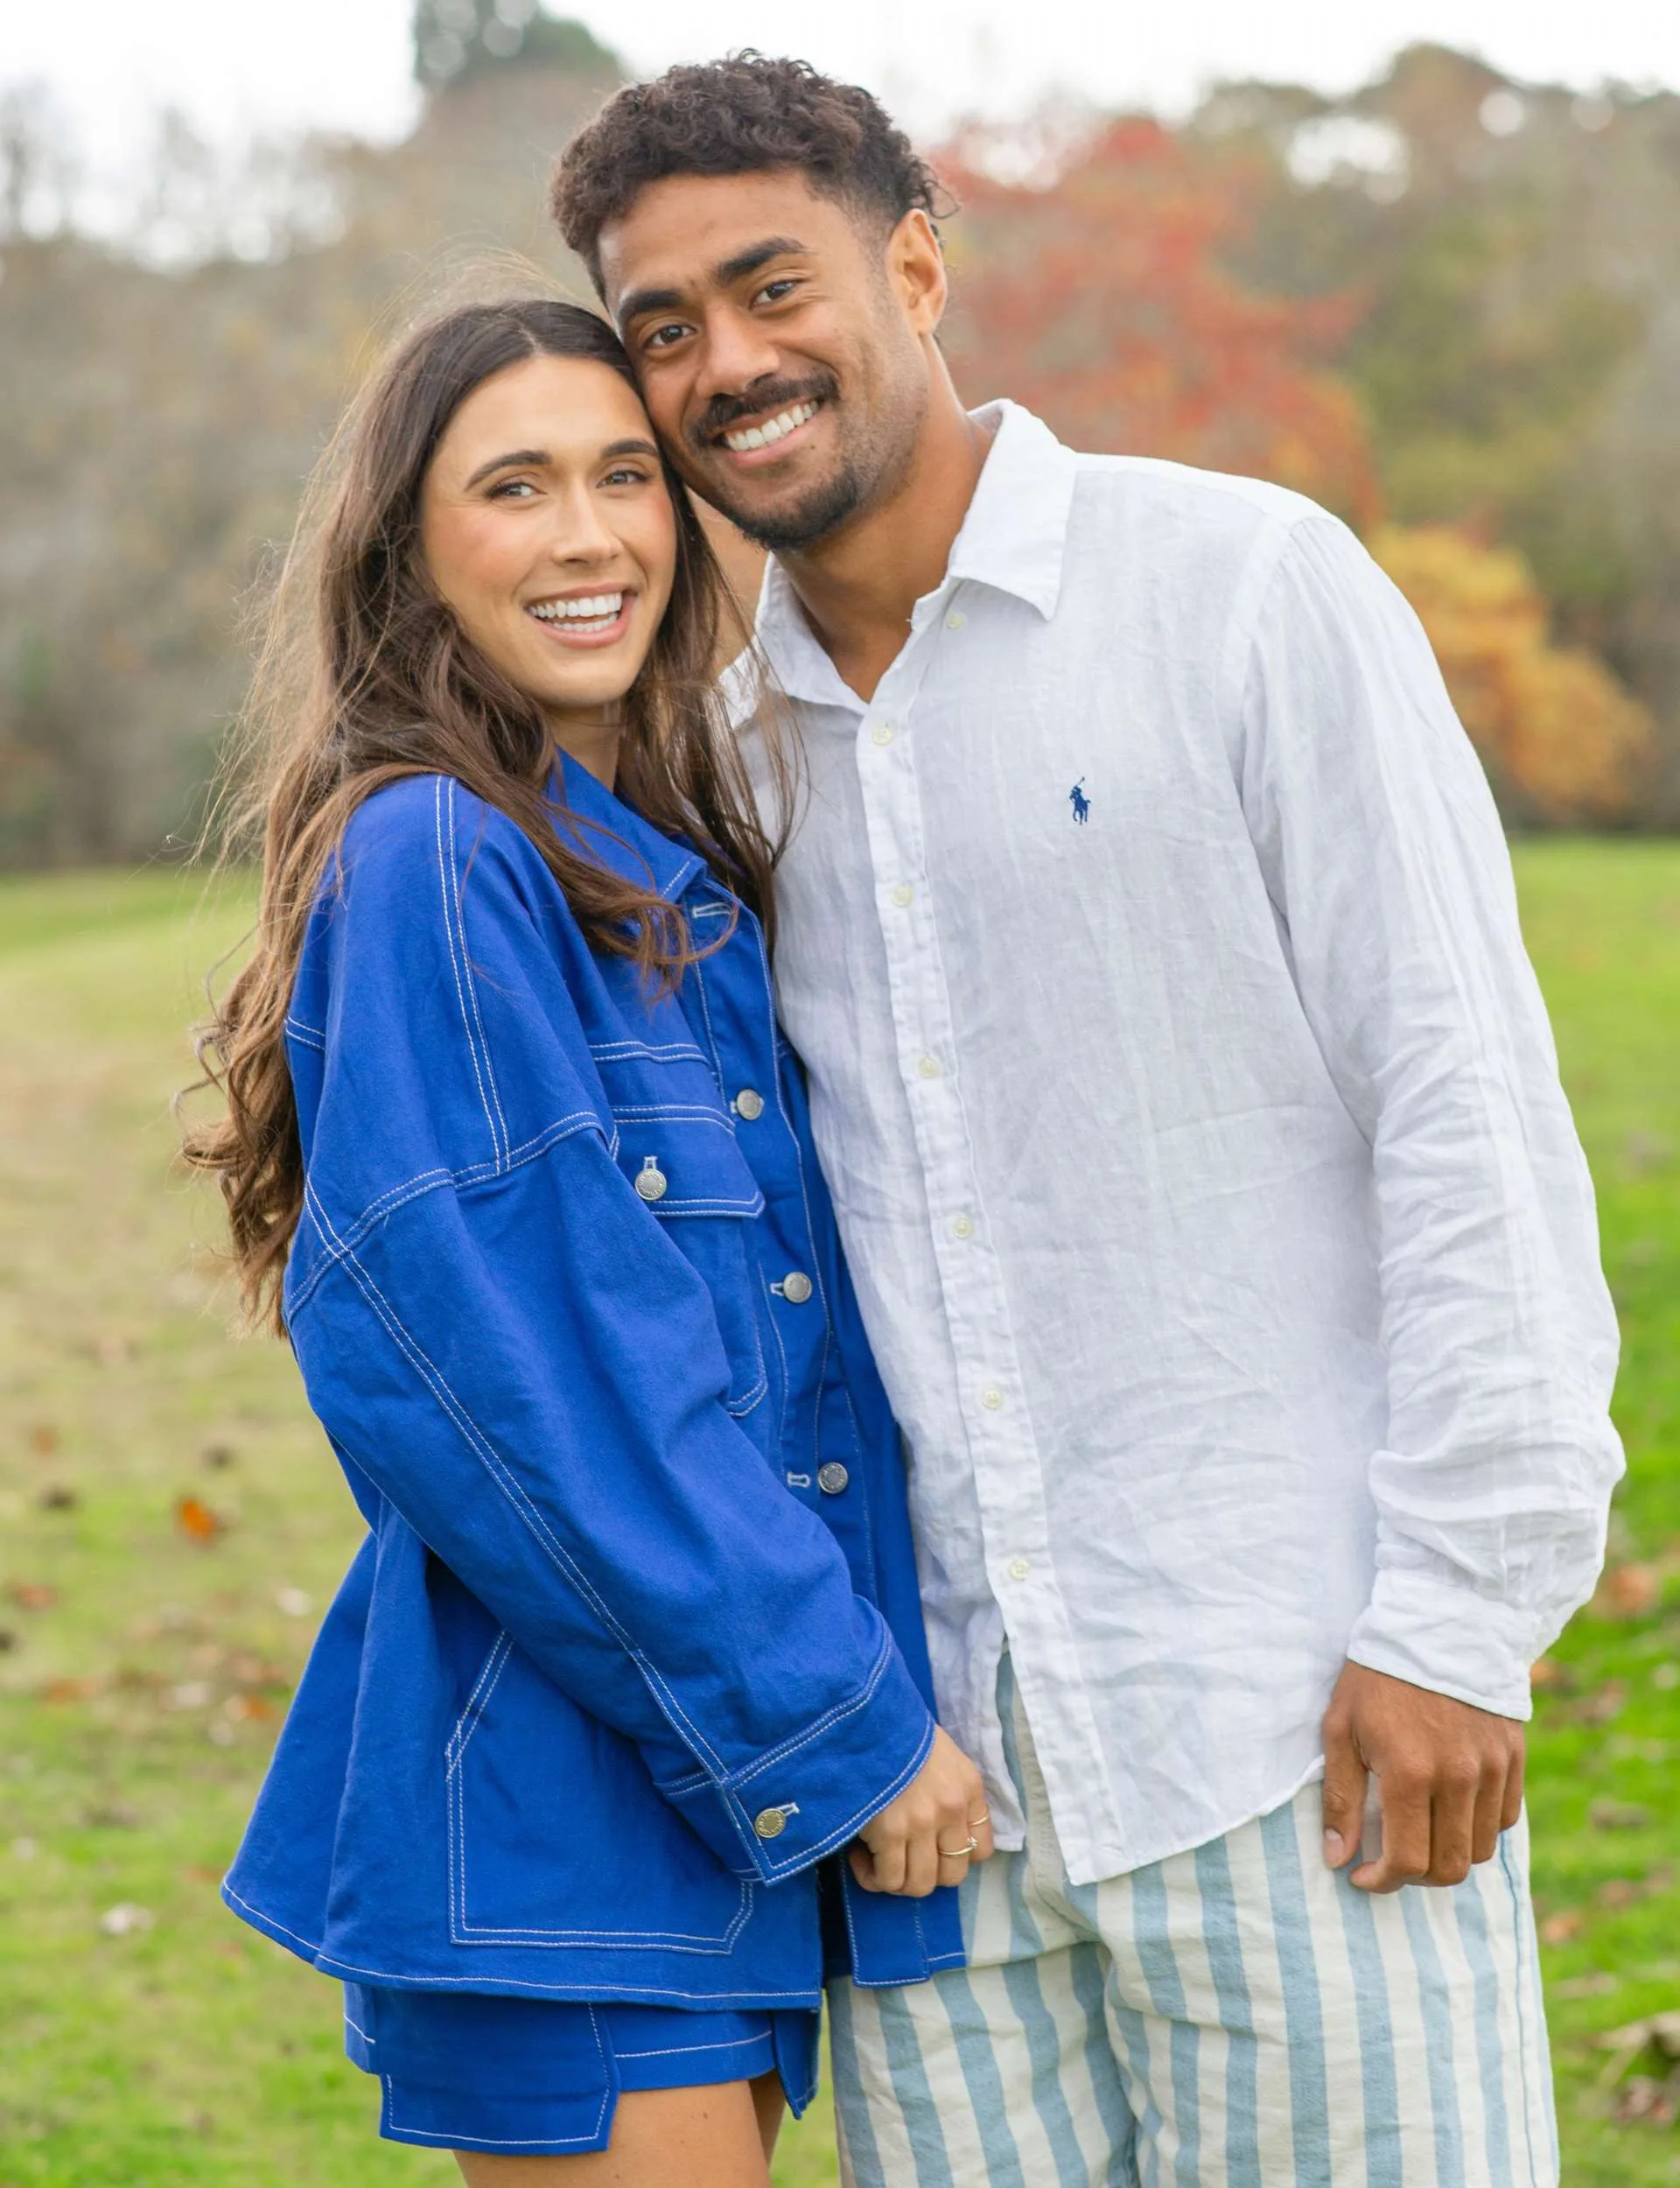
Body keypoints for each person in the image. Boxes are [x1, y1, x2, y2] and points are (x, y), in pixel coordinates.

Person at [550, 57, 1624, 2186]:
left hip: (1293, 1726)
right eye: (662, 327)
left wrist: (1456, 1617)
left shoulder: (1243, 588)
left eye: (773, 287)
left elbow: (1465, 1107)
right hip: (938, 1803)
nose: (725, 363)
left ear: (916, 268)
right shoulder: (714, 764)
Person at [183, 295, 995, 2185]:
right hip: (574, 1812)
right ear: (409, 548)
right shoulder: (437, 861)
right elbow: (523, 1382)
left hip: (687, 1800)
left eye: (627, 476)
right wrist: (842, 1729)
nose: (589, 535)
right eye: (515, 486)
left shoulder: (637, 870)